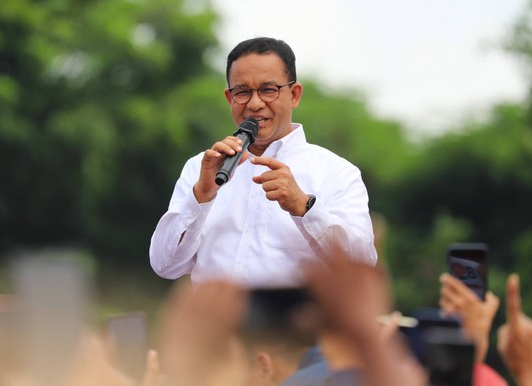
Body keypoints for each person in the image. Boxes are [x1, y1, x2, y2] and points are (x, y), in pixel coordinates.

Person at [149, 37, 377, 287]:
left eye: (269, 90)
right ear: (230, 98)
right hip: (214, 326)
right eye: (243, 92)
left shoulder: (337, 173)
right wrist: (201, 195)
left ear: (295, 95)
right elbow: (165, 266)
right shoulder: (201, 168)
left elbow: (362, 267)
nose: (255, 104)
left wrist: (305, 207)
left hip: (295, 326)